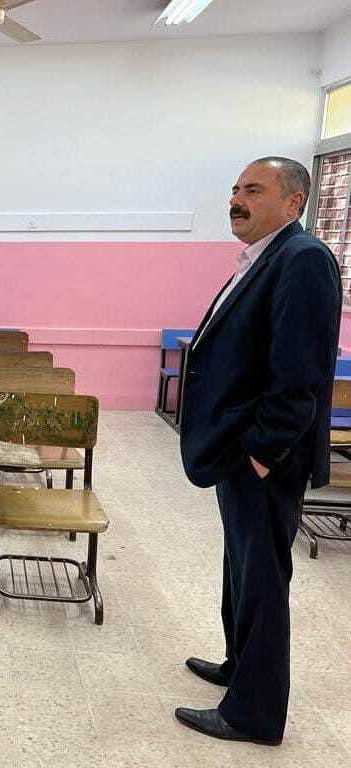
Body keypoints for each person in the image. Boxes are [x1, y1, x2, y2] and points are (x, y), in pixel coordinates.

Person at [176, 157, 342, 745]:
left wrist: (262, 453)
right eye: (235, 190)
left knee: (264, 581)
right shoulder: (263, 257)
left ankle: (254, 714)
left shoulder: (303, 260)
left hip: (266, 458)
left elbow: (300, 373)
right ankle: (238, 666)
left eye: (253, 190)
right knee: (241, 568)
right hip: (240, 449)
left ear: (294, 202)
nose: (236, 200)